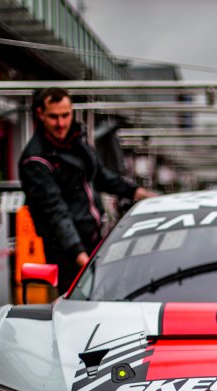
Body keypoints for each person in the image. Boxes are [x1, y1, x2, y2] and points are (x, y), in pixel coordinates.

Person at [19, 87, 155, 293]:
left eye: (65, 115)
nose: (61, 123)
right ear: (40, 114)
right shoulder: (36, 160)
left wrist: (139, 193)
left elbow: (101, 175)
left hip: (94, 241)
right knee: (79, 300)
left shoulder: (77, 141)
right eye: (54, 117)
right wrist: (79, 255)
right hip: (67, 251)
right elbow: (55, 212)